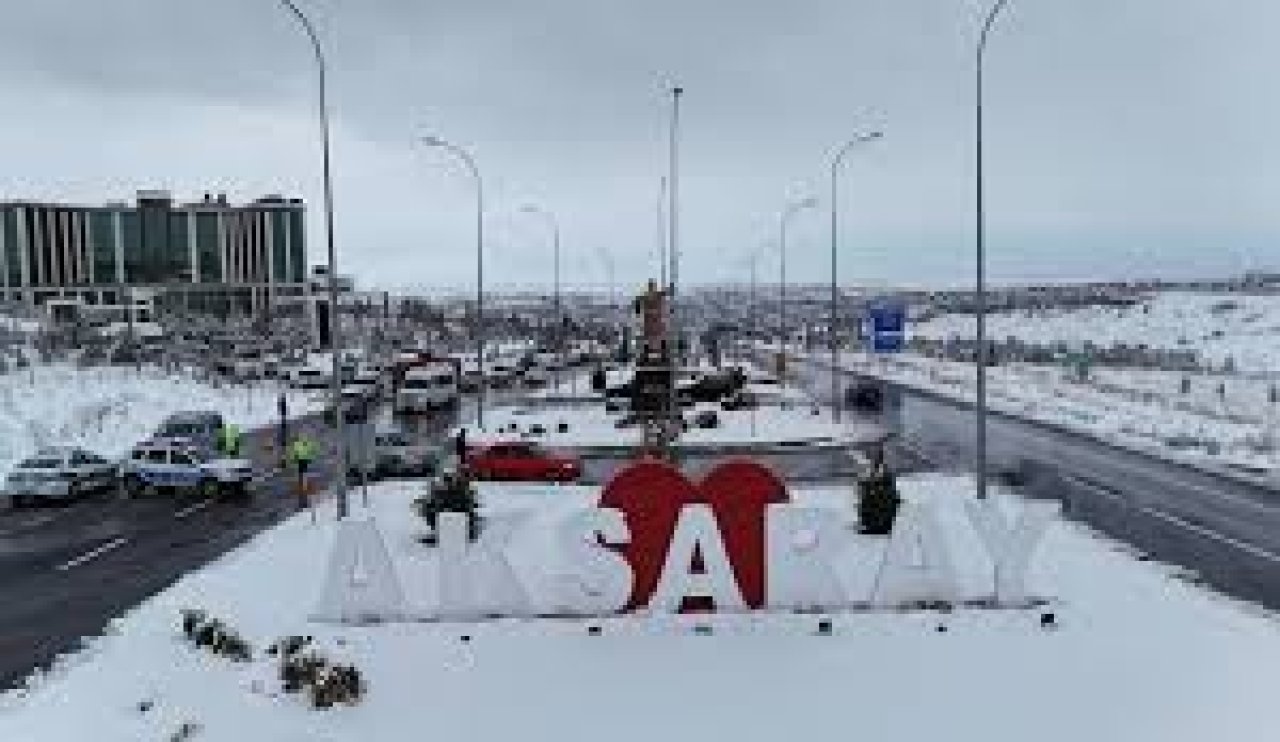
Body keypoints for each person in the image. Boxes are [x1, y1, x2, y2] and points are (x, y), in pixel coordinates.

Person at [287, 434, 319, 508]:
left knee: (302, 475)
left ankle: (303, 490)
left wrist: (292, 460)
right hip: (306, 460)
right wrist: (311, 457)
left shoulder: (296, 444)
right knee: (304, 474)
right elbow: (314, 449)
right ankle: (304, 487)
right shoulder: (307, 442)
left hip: (301, 461)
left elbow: (293, 454)